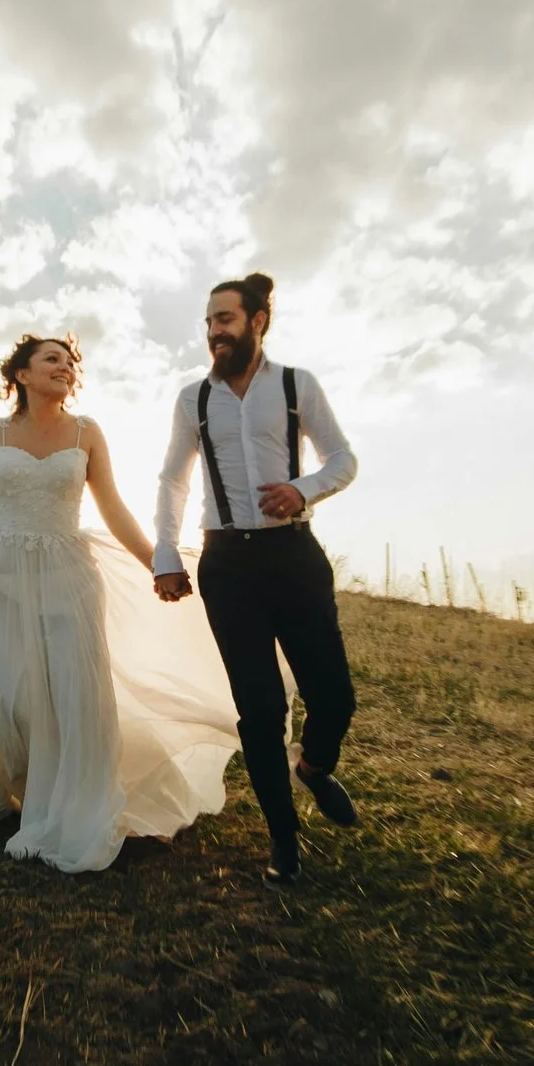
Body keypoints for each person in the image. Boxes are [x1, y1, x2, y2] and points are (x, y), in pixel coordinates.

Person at [0, 335, 241, 872]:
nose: (65, 368)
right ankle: (22, 786)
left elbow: (113, 506)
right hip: (0, 573)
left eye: (70, 363)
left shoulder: (86, 431)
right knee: (8, 689)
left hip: (67, 575)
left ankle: (74, 804)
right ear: (21, 375)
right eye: (52, 358)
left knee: (73, 691)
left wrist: (158, 562)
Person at [152, 273, 361, 886]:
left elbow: (343, 459)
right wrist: (167, 553)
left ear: (257, 321)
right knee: (260, 710)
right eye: (210, 321)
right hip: (227, 566)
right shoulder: (193, 399)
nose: (215, 331)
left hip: (294, 557)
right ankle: (284, 840)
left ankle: (315, 768)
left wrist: (302, 490)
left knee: (334, 696)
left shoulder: (297, 386)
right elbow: (172, 479)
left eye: (226, 319)